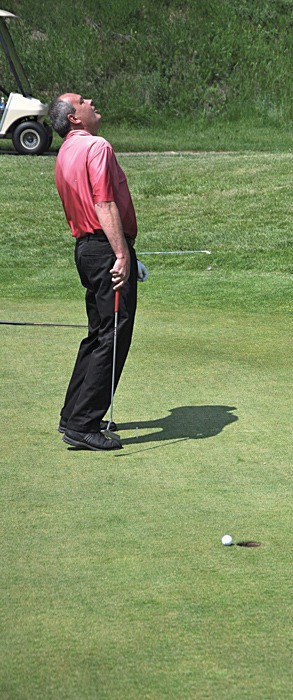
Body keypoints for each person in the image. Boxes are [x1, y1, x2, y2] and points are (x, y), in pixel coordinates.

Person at [48, 93, 138, 451]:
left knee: (99, 331)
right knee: (114, 332)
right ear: (74, 117)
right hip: (103, 247)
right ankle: (83, 423)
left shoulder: (65, 153)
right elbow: (103, 201)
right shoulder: (96, 146)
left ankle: (74, 413)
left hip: (86, 250)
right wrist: (122, 253)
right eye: (82, 100)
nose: (90, 100)